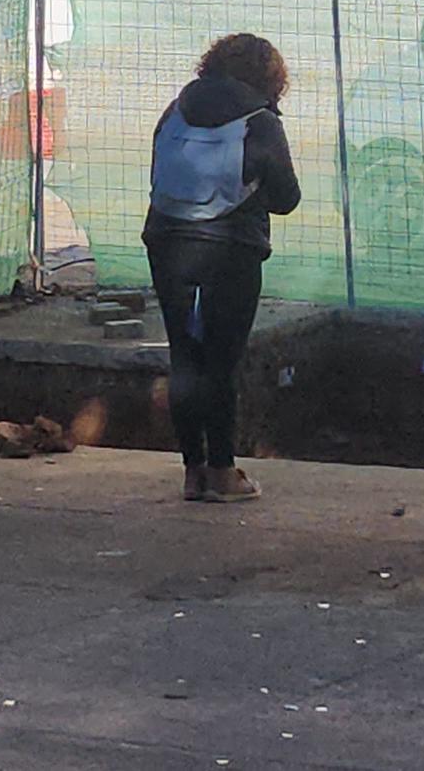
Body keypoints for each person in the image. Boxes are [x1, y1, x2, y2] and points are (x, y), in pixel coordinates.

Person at [142, 33, 301, 503]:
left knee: (185, 358)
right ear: (270, 77)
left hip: (167, 243)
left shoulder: (175, 110)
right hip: (230, 250)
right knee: (222, 362)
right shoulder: (260, 121)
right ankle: (224, 471)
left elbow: (158, 172)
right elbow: (288, 198)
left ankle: (192, 474)